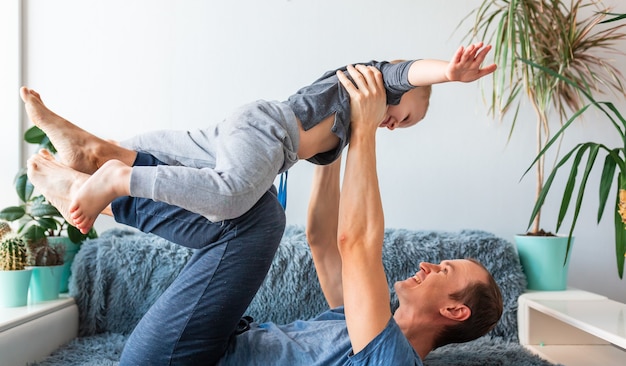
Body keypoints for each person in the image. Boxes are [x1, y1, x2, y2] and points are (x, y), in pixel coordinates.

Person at [25, 63, 503, 366]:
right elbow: (321, 238)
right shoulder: (361, 321)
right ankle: (96, 173)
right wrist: (339, 143)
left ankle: (110, 186)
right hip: (194, 353)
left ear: (454, 310)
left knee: (259, 216)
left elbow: (355, 244)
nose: (426, 266)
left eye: (443, 270)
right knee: (250, 208)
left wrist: (368, 132)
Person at [20, 42, 497, 235]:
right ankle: (120, 178)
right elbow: (408, 71)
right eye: (406, 115)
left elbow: (325, 209)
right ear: (400, 91)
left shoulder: (351, 127)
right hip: (272, 134)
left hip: (246, 128)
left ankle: (86, 148)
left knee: (172, 157)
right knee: (228, 200)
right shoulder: (375, 78)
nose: (396, 124)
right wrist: (450, 74)